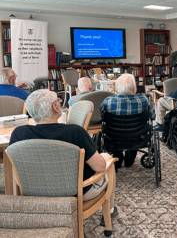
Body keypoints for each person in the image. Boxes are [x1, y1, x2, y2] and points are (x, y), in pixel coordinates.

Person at [9, 89, 117, 220]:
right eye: (58, 102)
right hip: (76, 193)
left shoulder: (18, 134)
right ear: (55, 107)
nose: (60, 104)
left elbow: (14, 168)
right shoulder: (75, 132)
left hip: (34, 192)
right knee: (107, 159)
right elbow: (99, 167)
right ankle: (110, 211)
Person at [100, 73, 155, 170]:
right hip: (137, 137)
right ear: (134, 88)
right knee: (135, 132)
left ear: (117, 88)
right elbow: (153, 116)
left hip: (114, 137)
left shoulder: (107, 101)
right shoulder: (144, 100)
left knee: (115, 133)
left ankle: (117, 157)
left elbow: (102, 119)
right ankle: (130, 158)